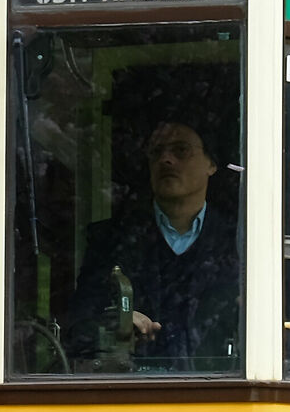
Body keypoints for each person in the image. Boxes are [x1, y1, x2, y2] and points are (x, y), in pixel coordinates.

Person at [69, 117, 242, 371]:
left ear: (212, 164)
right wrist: (116, 322)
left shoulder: (242, 241)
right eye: (157, 152)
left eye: (181, 150)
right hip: (131, 395)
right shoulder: (110, 239)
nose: (166, 160)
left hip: (222, 397)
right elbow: (77, 328)